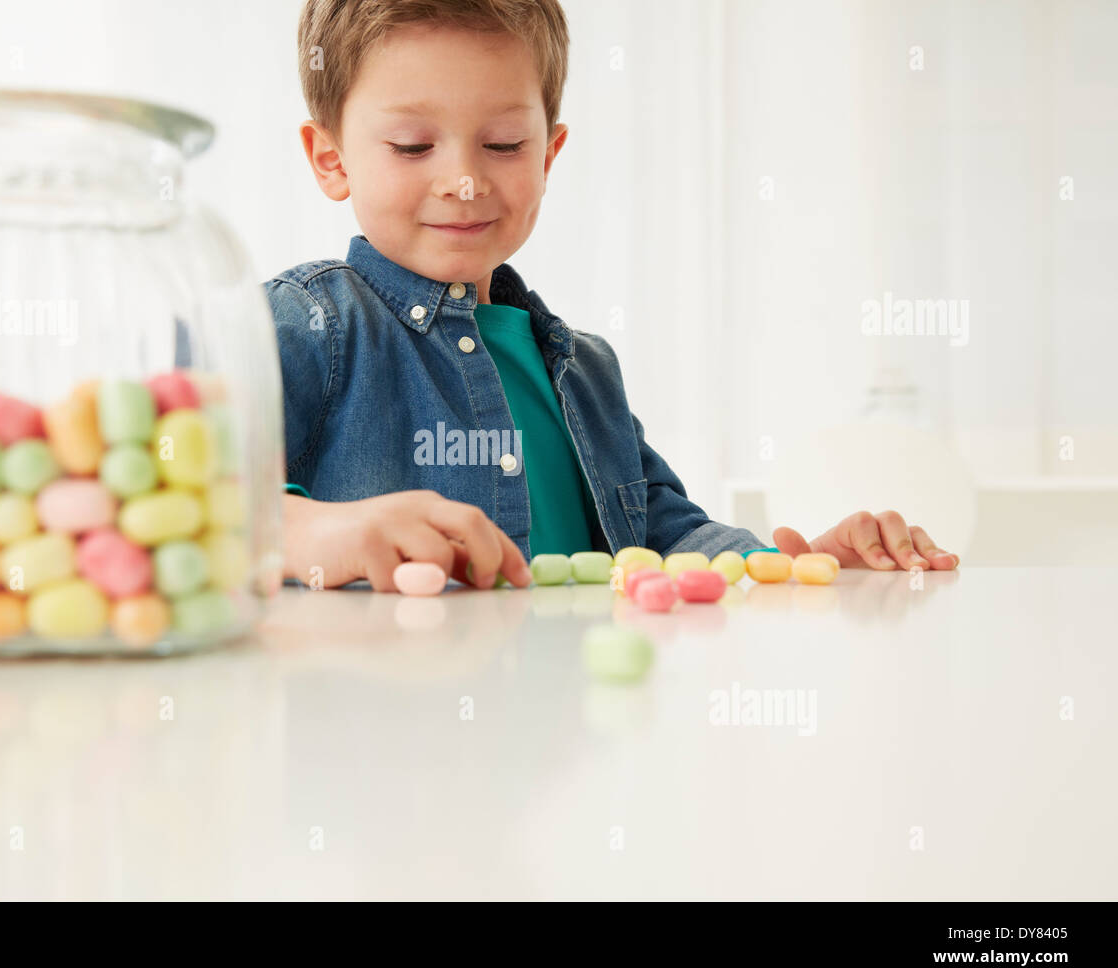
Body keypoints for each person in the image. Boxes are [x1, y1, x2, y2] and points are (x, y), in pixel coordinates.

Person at [266, 0, 960, 591]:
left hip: (572, 708)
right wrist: (319, 531)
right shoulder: (309, 326)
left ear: (549, 155)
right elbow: (209, 513)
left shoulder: (586, 373)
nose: (464, 181)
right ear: (331, 158)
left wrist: (801, 568)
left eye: (504, 144)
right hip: (386, 711)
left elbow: (669, 539)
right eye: (413, 145)